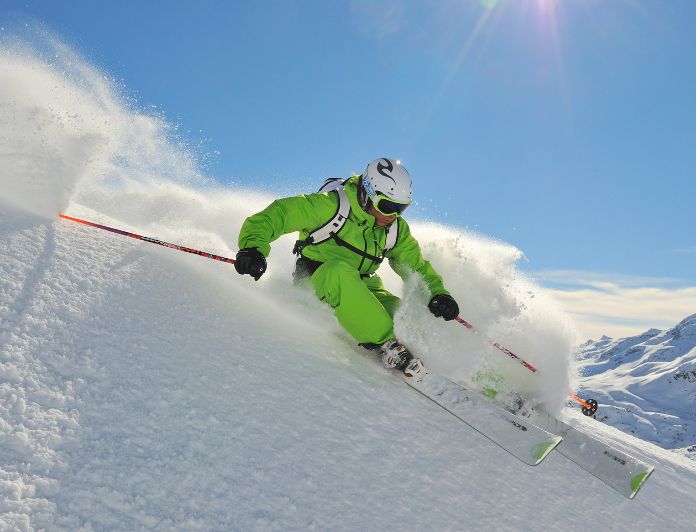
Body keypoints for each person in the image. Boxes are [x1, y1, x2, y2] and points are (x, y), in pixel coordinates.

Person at [234, 157, 459, 377]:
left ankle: (438, 361)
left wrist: (438, 294)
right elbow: (278, 214)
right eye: (387, 206)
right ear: (369, 193)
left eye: (400, 209)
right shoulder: (330, 205)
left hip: (364, 287)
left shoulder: (395, 229)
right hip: (318, 282)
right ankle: (389, 345)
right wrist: (252, 249)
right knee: (338, 271)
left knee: (405, 317)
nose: (392, 216)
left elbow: (415, 266)